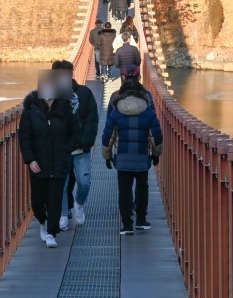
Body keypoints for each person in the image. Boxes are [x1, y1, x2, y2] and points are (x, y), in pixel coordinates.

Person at [18, 72, 83, 248]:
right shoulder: (31, 111)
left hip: (59, 163)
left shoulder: (66, 110)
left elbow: (76, 133)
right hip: (38, 163)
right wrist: (30, 160)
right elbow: (25, 137)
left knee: (55, 199)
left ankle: (51, 233)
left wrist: (66, 150)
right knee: (38, 201)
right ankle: (42, 221)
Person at [102, 68, 163, 235]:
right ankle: (141, 220)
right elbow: (156, 134)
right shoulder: (148, 109)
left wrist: (107, 156)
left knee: (124, 191)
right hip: (142, 156)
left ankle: (127, 224)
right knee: (142, 187)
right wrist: (156, 154)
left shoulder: (116, 109)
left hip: (122, 157)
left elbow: (107, 134)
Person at [51, 60, 98, 230]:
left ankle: (78, 204)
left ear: (71, 74)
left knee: (84, 181)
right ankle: (63, 214)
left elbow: (92, 120)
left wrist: (85, 141)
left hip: (80, 147)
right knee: (61, 183)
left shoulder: (84, 93)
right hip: (60, 148)